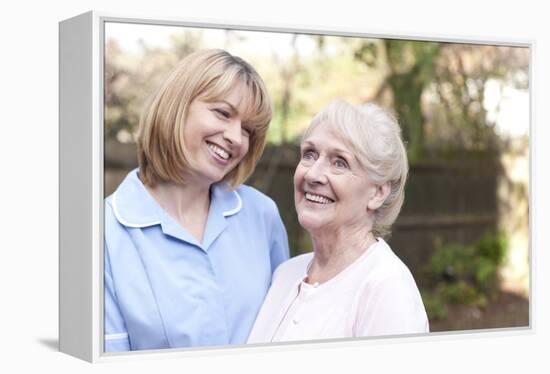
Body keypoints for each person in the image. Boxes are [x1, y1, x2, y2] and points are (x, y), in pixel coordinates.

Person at [104, 49, 289, 352]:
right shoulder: (104, 234)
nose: (235, 137)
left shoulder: (262, 215)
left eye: (248, 130)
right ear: (177, 106)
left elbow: (285, 333)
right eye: (223, 113)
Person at [247, 100, 428, 343]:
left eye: (339, 162)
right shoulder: (286, 274)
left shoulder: (386, 288)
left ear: (377, 193)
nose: (312, 174)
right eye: (309, 154)